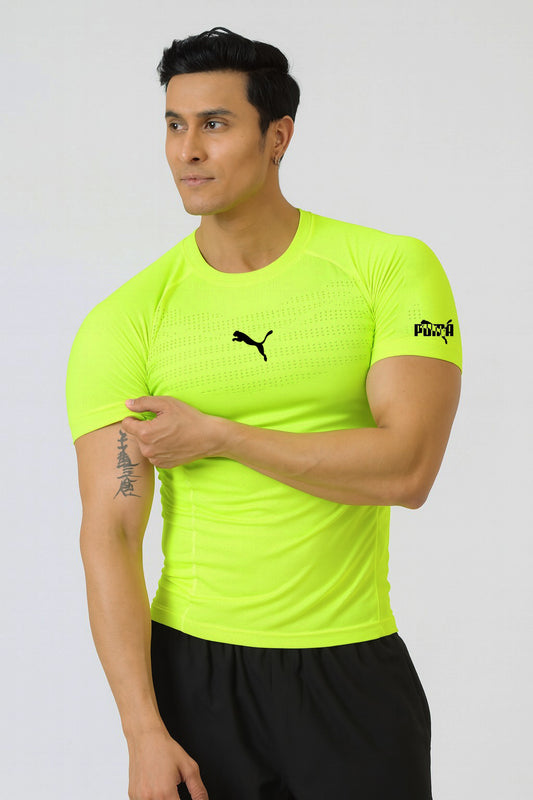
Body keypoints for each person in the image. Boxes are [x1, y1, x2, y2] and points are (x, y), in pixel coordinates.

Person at [66, 26, 462, 800]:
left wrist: (219, 436)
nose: (187, 151)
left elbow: (408, 470)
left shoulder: (387, 269)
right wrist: (142, 731)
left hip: (352, 671)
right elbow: (109, 530)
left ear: (277, 137)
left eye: (214, 124)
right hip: (192, 675)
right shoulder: (127, 320)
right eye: (174, 125)